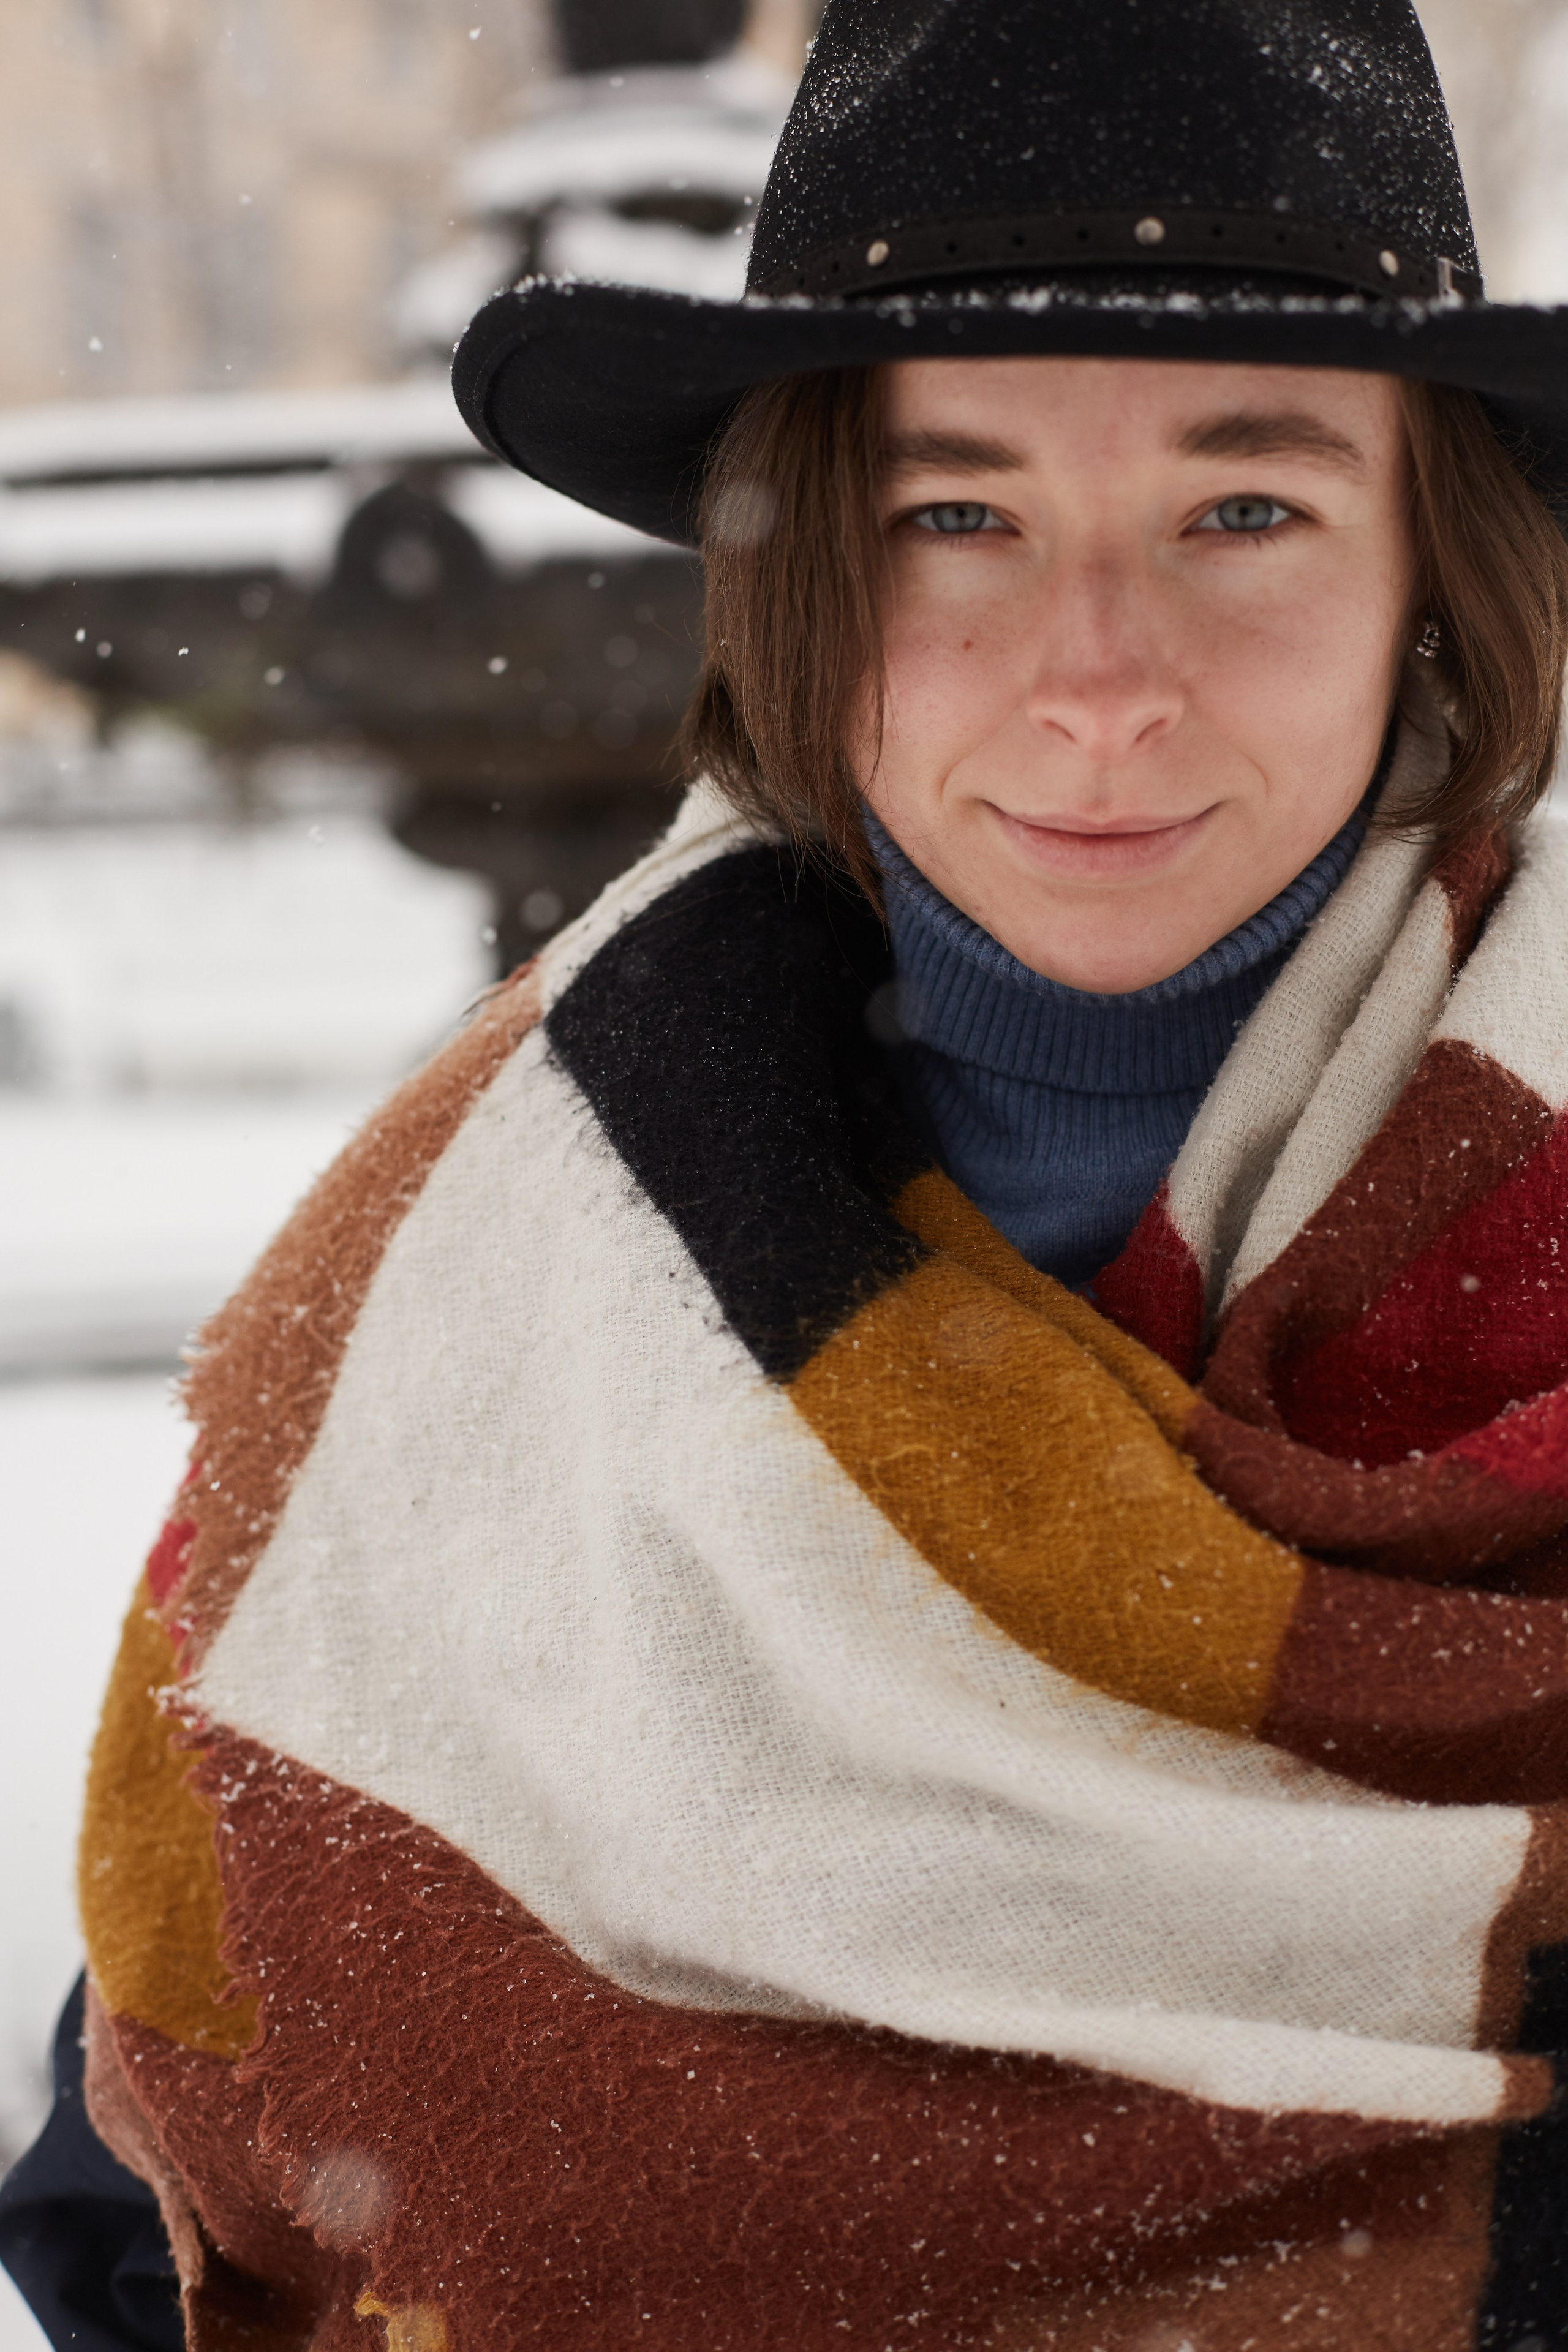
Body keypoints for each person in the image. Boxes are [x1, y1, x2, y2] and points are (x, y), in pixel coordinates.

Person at [7, 1, 1568, 2346]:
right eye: (959, 514)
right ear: (806, 573)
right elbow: (156, 2188)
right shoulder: (484, 1270)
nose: (1099, 677)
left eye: (1246, 510)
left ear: (1437, 564)